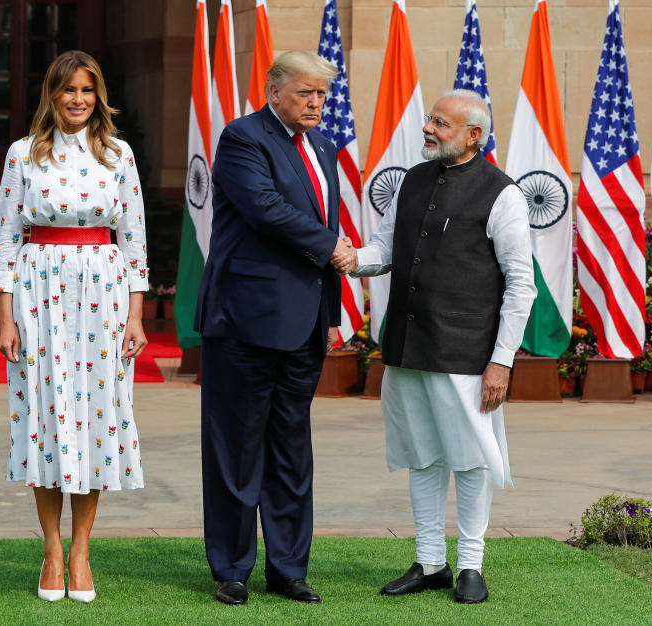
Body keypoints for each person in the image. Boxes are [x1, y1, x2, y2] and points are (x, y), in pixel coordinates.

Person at [337, 89, 536, 604]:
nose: (428, 128)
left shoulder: (502, 194)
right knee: (422, 457)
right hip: (406, 346)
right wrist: (349, 257)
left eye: (441, 123)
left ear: (474, 135)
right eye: (430, 119)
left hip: (468, 354)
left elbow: (521, 284)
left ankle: (471, 564)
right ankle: (431, 563)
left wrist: (501, 362)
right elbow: (386, 247)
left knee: (470, 460)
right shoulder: (413, 179)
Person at [0, 50, 149, 603]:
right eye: (67, 90)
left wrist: (135, 314)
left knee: (95, 423)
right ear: (51, 95)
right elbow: (6, 238)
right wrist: (5, 318)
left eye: (87, 89)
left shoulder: (119, 155)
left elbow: (134, 238)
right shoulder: (23, 154)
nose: (78, 99)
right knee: (46, 418)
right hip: (38, 293)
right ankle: (51, 549)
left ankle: (81, 552)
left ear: (98, 95)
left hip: (102, 291)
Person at [194, 50, 354, 606]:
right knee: (236, 447)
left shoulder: (324, 147)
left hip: (304, 324)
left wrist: (329, 316)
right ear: (274, 90)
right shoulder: (243, 138)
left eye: (322, 95)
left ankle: (288, 569)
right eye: (306, 93)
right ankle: (232, 568)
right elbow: (264, 210)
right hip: (245, 319)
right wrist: (332, 246)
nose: (316, 103)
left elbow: (322, 219)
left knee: (291, 449)